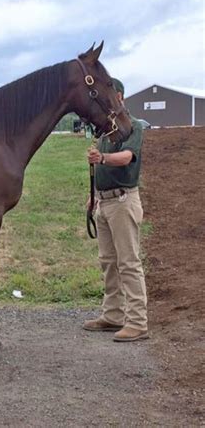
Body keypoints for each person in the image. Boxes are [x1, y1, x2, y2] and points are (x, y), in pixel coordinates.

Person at [83, 78, 149, 342]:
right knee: (109, 262)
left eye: (110, 95)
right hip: (105, 201)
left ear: (119, 96)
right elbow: (100, 167)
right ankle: (113, 315)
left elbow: (127, 158)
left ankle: (137, 322)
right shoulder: (106, 132)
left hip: (123, 202)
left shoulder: (132, 127)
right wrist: (92, 197)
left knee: (129, 263)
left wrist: (102, 158)